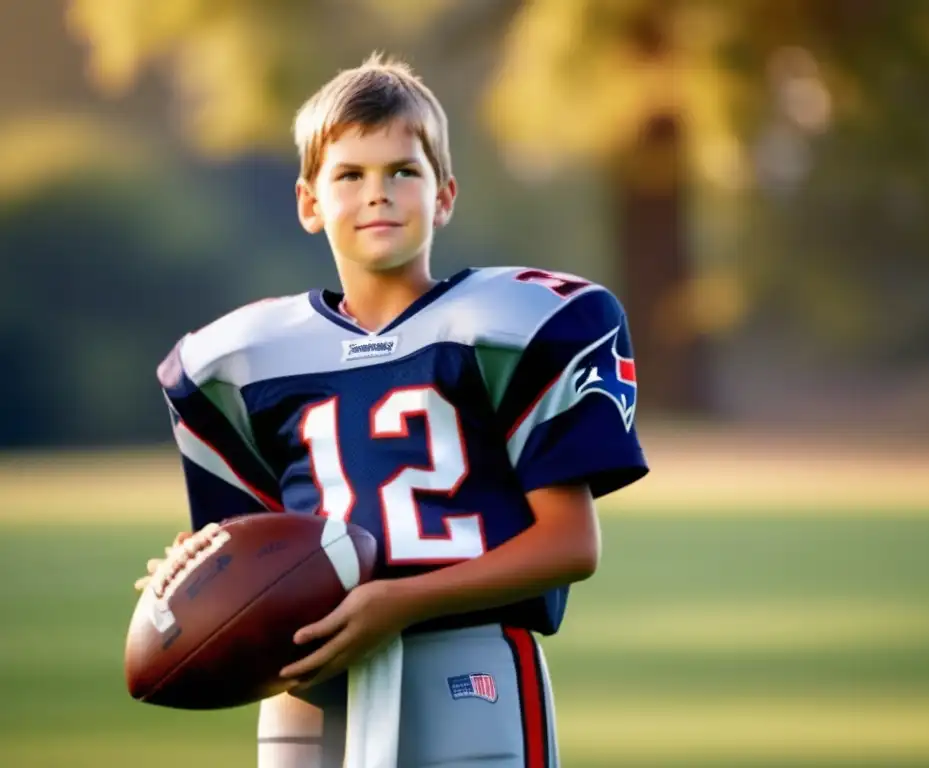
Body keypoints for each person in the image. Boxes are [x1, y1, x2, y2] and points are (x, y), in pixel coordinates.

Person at [136, 52, 648, 768]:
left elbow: (571, 545)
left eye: (403, 172)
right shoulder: (246, 358)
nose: (378, 194)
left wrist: (399, 603)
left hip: (469, 659)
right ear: (309, 203)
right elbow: (257, 547)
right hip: (310, 675)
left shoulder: (510, 326)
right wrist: (196, 570)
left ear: (443, 196)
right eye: (350, 175)